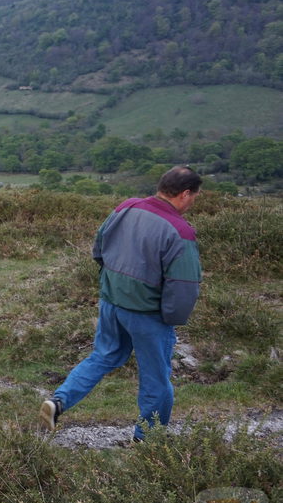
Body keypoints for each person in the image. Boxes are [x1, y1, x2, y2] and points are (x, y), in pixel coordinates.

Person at [39, 165, 203, 441]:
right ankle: (147, 441)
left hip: (111, 303)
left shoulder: (126, 207)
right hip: (148, 315)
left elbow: (99, 246)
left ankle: (58, 402)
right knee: (156, 379)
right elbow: (184, 285)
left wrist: (111, 282)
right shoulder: (180, 231)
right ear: (186, 194)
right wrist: (172, 317)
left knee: (103, 356)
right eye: (196, 196)